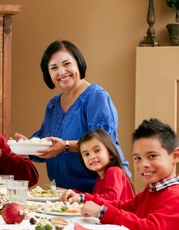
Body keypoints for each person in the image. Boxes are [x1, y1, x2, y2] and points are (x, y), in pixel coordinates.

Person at [15, 39, 130, 193]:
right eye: (54, 68)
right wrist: (28, 147)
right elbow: (47, 144)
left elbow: (103, 143)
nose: (62, 72)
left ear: (78, 63)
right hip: (66, 192)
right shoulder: (53, 104)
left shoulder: (96, 96)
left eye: (67, 64)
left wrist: (65, 146)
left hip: (101, 190)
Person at [81, 119, 179, 230]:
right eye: (137, 158)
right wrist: (87, 200)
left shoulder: (175, 196)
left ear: (175, 156)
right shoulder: (151, 191)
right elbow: (125, 206)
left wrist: (102, 211)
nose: (143, 164)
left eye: (152, 156)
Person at [60, 128, 134, 203]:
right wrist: (75, 193)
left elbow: (112, 198)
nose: (92, 157)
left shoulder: (114, 171)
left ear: (110, 153)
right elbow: (96, 199)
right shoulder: (100, 178)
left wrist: (81, 197)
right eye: (86, 154)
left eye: (97, 150)